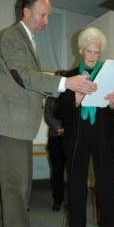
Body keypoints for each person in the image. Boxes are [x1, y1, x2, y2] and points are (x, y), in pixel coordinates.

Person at [0, 0, 97, 227]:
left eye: (49, 16)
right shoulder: (12, 36)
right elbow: (23, 76)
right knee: (18, 186)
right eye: (43, 14)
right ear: (27, 12)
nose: (47, 20)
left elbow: (33, 82)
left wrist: (68, 92)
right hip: (12, 123)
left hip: (19, 124)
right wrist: (65, 83)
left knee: (15, 184)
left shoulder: (28, 39)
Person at [56, 27, 114, 227]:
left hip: (104, 138)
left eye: (97, 52)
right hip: (77, 138)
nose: (93, 56)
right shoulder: (69, 76)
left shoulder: (110, 74)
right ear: (81, 50)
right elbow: (60, 111)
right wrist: (75, 99)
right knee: (76, 187)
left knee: (106, 187)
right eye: (89, 51)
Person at [44, 70, 67, 212]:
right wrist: (59, 128)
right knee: (57, 171)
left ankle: (73, 201)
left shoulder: (71, 96)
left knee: (72, 171)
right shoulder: (50, 98)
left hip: (70, 138)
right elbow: (47, 116)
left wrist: (66, 129)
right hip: (54, 138)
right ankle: (58, 200)